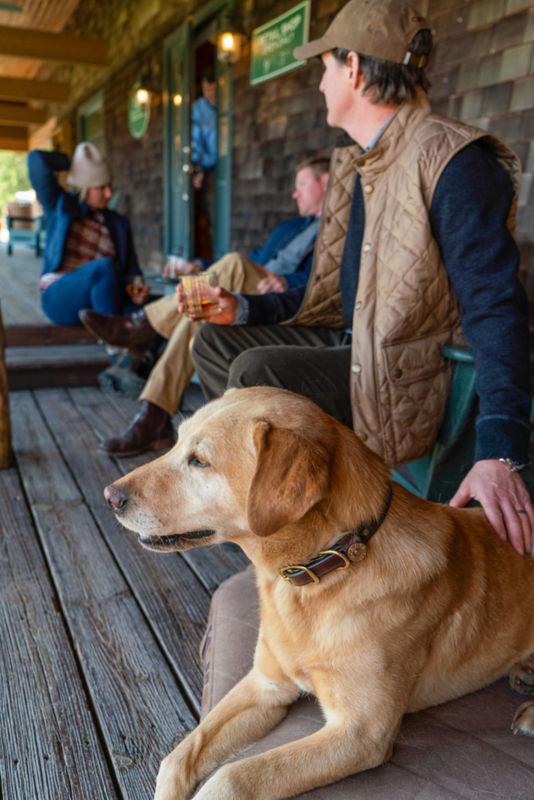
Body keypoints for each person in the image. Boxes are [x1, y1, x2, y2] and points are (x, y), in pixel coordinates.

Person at [184, 0, 533, 556]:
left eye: (323, 67)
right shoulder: (364, 166)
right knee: (219, 340)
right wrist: (245, 309)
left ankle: (284, 533)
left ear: (353, 69)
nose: (319, 83)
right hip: (354, 349)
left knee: (257, 369)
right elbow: (336, 298)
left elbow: (497, 308)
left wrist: (500, 450)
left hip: (408, 376)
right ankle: (261, 510)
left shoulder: (455, 163)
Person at [79, 157, 330, 456]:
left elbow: (330, 285)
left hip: (283, 304)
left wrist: (287, 282)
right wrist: (198, 265)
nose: (294, 193)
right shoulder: (291, 227)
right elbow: (257, 258)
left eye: (301, 184)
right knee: (200, 310)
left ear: (325, 182)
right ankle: (153, 415)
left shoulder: (335, 235)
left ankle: (143, 330)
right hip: (248, 293)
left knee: (228, 270)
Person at [28, 142, 148, 326]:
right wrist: (73, 165)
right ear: (85, 187)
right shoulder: (60, 207)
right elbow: (36, 160)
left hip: (102, 302)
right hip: (60, 297)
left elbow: (132, 270)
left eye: (110, 186)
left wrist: (135, 289)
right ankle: (114, 344)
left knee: (154, 312)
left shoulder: (119, 224)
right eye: (101, 187)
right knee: (103, 268)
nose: (109, 193)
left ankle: (119, 339)